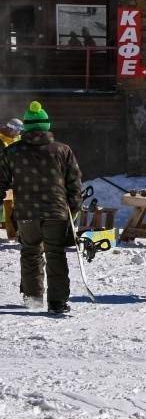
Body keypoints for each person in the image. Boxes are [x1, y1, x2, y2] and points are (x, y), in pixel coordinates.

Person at [0, 101, 82, 314]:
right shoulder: (63, 150)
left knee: (30, 253)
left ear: (26, 126)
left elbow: (1, 181)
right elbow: (74, 182)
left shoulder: (13, 152)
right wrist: (74, 208)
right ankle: (57, 302)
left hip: (26, 213)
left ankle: (33, 297)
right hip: (56, 212)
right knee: (55, 254)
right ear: (47, 125)